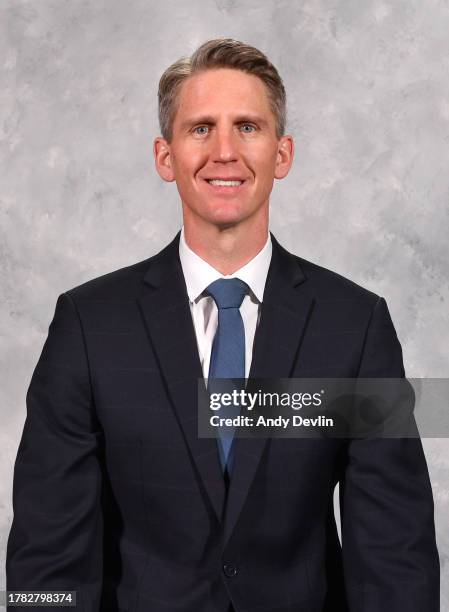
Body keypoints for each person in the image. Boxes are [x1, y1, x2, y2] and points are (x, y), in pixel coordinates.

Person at [6, 38, 439, 612]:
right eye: (202, 128)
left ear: (282, 154)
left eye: (249, 127)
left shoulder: (354, 327)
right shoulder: (89, 326)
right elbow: (48, 554)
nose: (226, 151)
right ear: (166, 156)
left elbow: (394, 555)